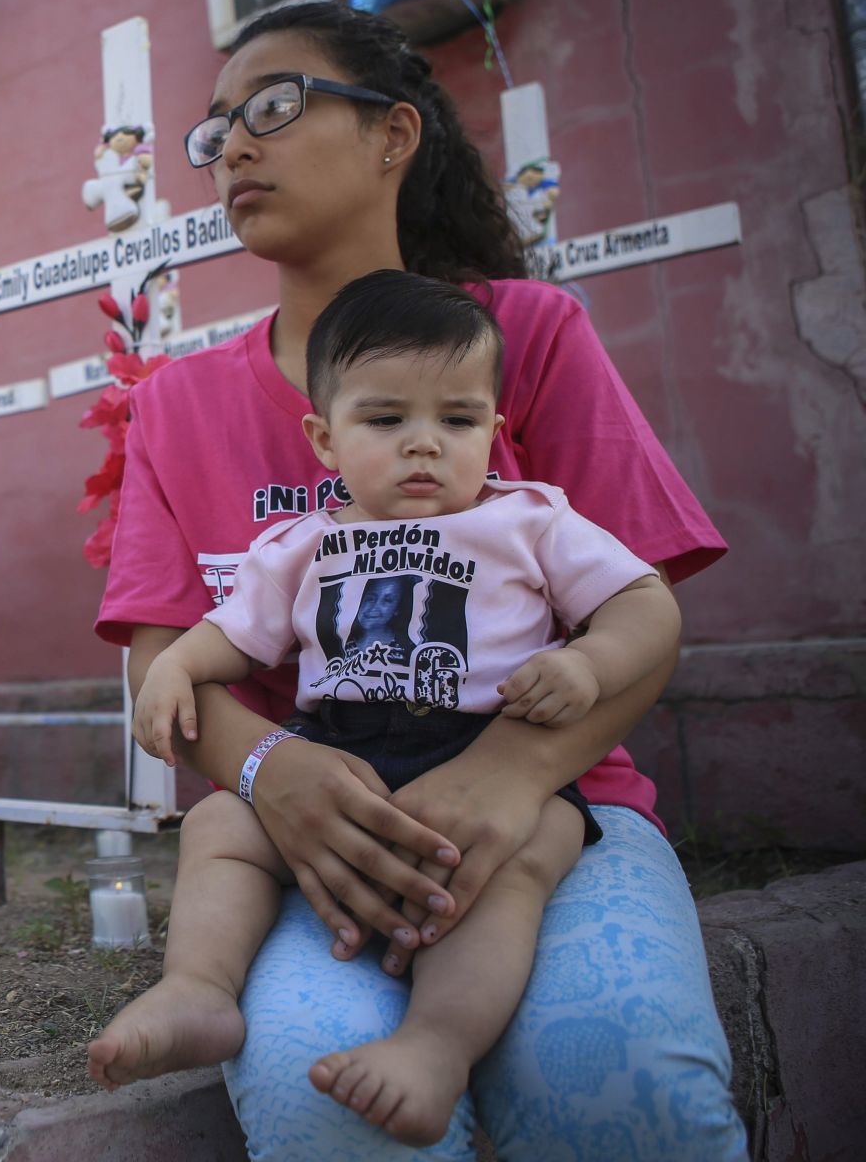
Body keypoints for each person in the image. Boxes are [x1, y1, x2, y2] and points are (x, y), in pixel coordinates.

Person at [85, 2, 745, 1158]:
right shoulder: (175, 406)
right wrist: (268, 769)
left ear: (393, 136)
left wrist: (511, 774)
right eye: (217, 128)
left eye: (275, 106)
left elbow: (644, 610)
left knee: (625, 1074)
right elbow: (167, 664)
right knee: (320, 1099)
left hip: (557, 809)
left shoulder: (527, 339)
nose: (235, 143)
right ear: (322, 436)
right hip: (309, 851)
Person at [118, 270, 681, 1144]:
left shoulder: (530, 520)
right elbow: (232, 634)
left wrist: (590, 662)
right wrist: (173, 670)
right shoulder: (301, 544)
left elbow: (645, 605)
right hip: (341, 757)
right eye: (386, 421)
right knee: (218, 828)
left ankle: (434, 1046)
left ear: (495, 432)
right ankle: (199, 986)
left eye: (456, 421)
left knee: (510, 873)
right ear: (325, 439)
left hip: (498, 753)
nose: (425, 445)